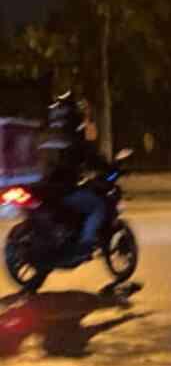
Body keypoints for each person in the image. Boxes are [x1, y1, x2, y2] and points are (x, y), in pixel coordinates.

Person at [38, 92, 111, 264]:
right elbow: (90, 158)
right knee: (97, 206)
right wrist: (109, 167)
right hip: (63, 191)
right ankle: (84, 247)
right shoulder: (70, 137)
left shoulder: (44, 135)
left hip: (41, 189)